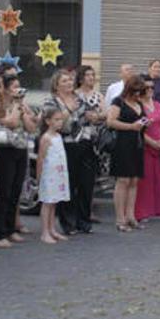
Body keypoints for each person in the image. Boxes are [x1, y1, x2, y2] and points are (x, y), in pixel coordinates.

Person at [0, 74, 37, 248]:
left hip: (21, 149)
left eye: (19, 86)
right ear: (6, 89)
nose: (19, 90)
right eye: (15, 87)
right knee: (4, 192)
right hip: (4, 151)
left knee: (16, 191)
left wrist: (24, 110)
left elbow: (31, 127)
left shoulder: (21, 105)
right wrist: (17, 106)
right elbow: (12, 123)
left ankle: (10, 229)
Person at [43, 71, 93, 235]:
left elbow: (86, 118)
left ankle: (84, 222)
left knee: (86, 183)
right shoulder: (51, 101)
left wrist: (95, 116)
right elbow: (52, 122)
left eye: (70, 80)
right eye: (65, 81)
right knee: (68, 184)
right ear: (57, 85)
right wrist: (68, 111)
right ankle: (68, 222)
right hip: (65, 145)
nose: (69, 82)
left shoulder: (79, 99)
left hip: (84, 143)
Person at [107, 76, 146, 232]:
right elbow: (110, 121)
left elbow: (140, 121)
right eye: (135, 91)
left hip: (137, 144)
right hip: (122, 144)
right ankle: (120, 218)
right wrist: (131, 126)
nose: (138, 94)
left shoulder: (139, 103)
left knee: (134, 181)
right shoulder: (118, 101)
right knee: (123, 180)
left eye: (140, 91)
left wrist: (143, 124)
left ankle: (131, 216)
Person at [135, 76, 160, 222]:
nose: (151, 90)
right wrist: (152, 142)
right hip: (145, 146)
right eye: (147, 88)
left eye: (152, 87)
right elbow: (138, 128)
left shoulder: (158, 104)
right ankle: (143, 212)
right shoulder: (138, 105)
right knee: (145, 181)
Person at [74, 65, 104, 223]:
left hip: (93, 140)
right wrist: (86, 115)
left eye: (93, 75)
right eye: (88, 75)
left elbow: (104, 114)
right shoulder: (75, 95)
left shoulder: (98, 95)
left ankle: (87, 212)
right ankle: (74, 211)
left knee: (90, 178)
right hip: (77, 139)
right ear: (81, 78)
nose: (91, 78)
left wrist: (97, 116)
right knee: (76, 177)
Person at [36, 109, 71, 244]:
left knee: (54, 201)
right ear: (48, 121)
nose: (59, 122)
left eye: (61, 120)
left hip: (58, 173)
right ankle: (45, 232)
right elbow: (41, 158)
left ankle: (52, 229)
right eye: (56, 120)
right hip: (49, 174)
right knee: (47, 202)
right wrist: (39, 176)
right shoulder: (46, 138)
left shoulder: (58, 136)